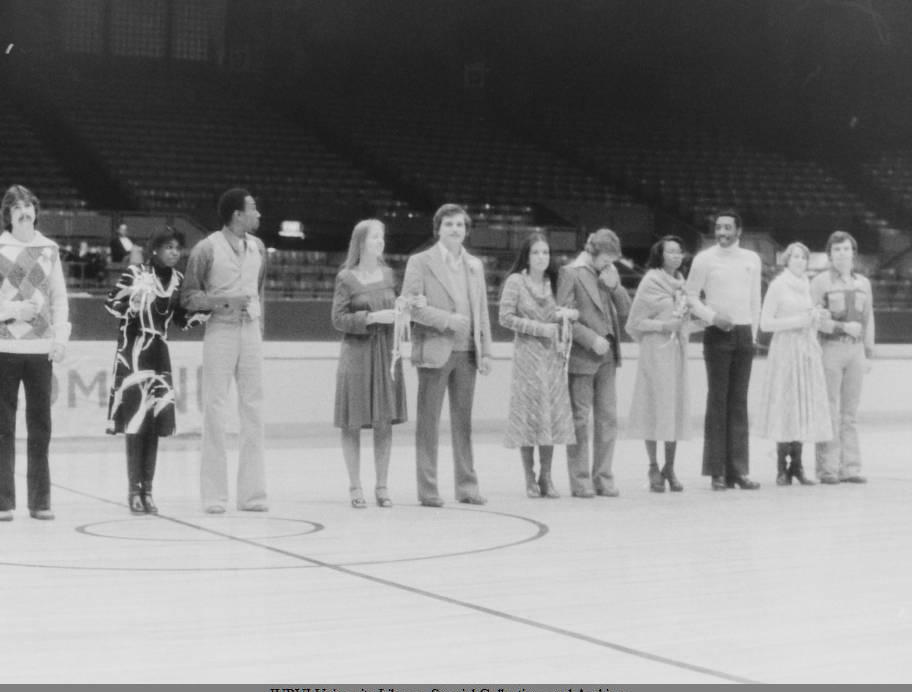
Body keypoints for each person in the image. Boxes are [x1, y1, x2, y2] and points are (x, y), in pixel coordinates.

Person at [105, 226, 205, 514]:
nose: (175, 252)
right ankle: (133, 491)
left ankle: (148, 490)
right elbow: (111, 304)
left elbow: (180, 320)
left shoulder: (177, 280)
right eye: (169, 247)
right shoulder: (135, 273)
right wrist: (132, 302)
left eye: (178, 247)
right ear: (155, 249)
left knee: (154, 425)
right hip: (134, 352)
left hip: (159, 354)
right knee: (136, 423)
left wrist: (205, 311)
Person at [180, 188, 268, 513]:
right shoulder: (206, 249)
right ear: (237, 215)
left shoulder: (258, 248)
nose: (258, 214)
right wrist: (221, 301)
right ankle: (214, 496)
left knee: (254, 411)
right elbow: (188, 296)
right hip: (220, 330)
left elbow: (259, 293)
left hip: (251, 331)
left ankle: (253, 495)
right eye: (253, 209)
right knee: (215, 411)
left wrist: (259, 329)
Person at [401, 203, 493, 507]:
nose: (456, 229)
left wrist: (487, 350)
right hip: (435, 349)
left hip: (468, 352)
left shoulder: (474, 265)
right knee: (428, 423)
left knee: (463, 424)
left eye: (460, 225)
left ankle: (467, 487)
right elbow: (411, 305)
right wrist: (446, 320)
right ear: (438, 228)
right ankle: (428, 490)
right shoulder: (420, 262)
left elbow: (482, 311)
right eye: (450, 224)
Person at [0, 185, 70, 521]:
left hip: (41, 349)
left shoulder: (49, 249)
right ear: (9, 215)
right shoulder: (0, 247)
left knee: (41, 427)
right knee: (3, 427)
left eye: (29, 208)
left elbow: (59, 298)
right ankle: (3, 502)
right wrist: (13, 309)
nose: (25, 214)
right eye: (18, 210)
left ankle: (40, 501)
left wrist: (60, 339)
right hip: (5, 348)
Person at [332, 219, 408, 508]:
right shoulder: (346, 278)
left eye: (383, 237)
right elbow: (337, 319)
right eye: (376, 237)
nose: (381, 242)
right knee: (352, 422)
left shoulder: (389, 275)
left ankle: (382, 485)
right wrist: (372, 318)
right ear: (361, 242)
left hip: (386, 352)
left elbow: (399, 307)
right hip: (357, 353)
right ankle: (354, 485)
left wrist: (404, 308)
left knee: (383, 422)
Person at [685, 209, 762, 491]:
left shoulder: (752, 259)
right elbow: (690, 296)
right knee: (718, 401)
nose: (722, 233)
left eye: (728, 228)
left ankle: (738, 471)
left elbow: (755, 299)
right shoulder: (704, 259)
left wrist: (752, 335)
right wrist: (711, 317)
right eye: (718, 228)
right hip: (717, 333)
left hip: (743, 334)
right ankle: (716, 471)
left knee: (739, 402)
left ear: (739, 231)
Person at [498, 233, 578, 498]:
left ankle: (546, 475)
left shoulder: (554, 282)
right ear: (527, 256)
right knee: (528, 417)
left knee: (550, 418)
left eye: (545, 252)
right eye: (536, 253)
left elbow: (569, 310)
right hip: (527, 357)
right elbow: (505, 317)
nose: (542, 257)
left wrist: (567, 318)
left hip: (552, 358)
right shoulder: (516, 282)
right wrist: (539, 328)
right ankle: (528, 477)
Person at [556, 228, 631, 498]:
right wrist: (590, 339)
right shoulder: (570, 273)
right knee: (579, 419)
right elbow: (562, 317)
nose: (608, 264)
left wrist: (615, 286)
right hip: (583, 355)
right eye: (605, 259)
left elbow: (625, 311)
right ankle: (580, 480)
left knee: (608, 419)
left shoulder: (609, 271)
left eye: (612, 260)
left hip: (609, 356)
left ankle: (604, 476)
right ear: (591, 252)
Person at [754, 242, 832, 486]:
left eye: (803, 257)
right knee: (785, 405)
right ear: (786, 260)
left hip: (805, 350)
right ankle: (781, 466)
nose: (799, 261)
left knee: (801, 406)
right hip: (785, 350)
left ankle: (797, 465)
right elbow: (766, 323)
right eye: (795, 257)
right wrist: (798, 320)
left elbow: (809, 317)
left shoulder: (806, 286)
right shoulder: (778, 285)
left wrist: (816, 318)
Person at [625, 235, 691, 493]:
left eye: (679, 252)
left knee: (673, 408)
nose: (676, 256)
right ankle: (653, 466)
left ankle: (670, 467)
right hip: (655, 353)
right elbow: (634, 323)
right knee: (653, 408)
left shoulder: (684, 285)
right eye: (671, 252)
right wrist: (664, 326)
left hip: (676, 353)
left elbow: (685, 319)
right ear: (660, 255)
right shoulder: (650, 282)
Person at [810, 231, 875, 484]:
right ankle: (827, 468)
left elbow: (869, 318)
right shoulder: (820, 282)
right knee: (829, 408)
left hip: (856, 351)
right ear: (829, 254)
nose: (841, 254)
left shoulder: (863, 283)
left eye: (846, 249)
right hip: (831, 348)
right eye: (836, 250)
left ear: (853, 253)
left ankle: (851, 467)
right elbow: (814, 319)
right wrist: (840, 327)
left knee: (850, 412)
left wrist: (868, 352)